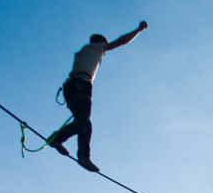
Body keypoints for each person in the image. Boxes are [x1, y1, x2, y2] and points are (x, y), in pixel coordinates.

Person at [45, 21, 146, 171]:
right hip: (80, 86)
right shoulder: (95, 47)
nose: (104, 54)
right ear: (100, 43)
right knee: (82, 122)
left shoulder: (85, 52)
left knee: (85, 124)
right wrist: (139, 29)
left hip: (71, 87)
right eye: (104, 49)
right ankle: (57, 139)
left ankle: (83, 156)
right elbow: (121, 41)